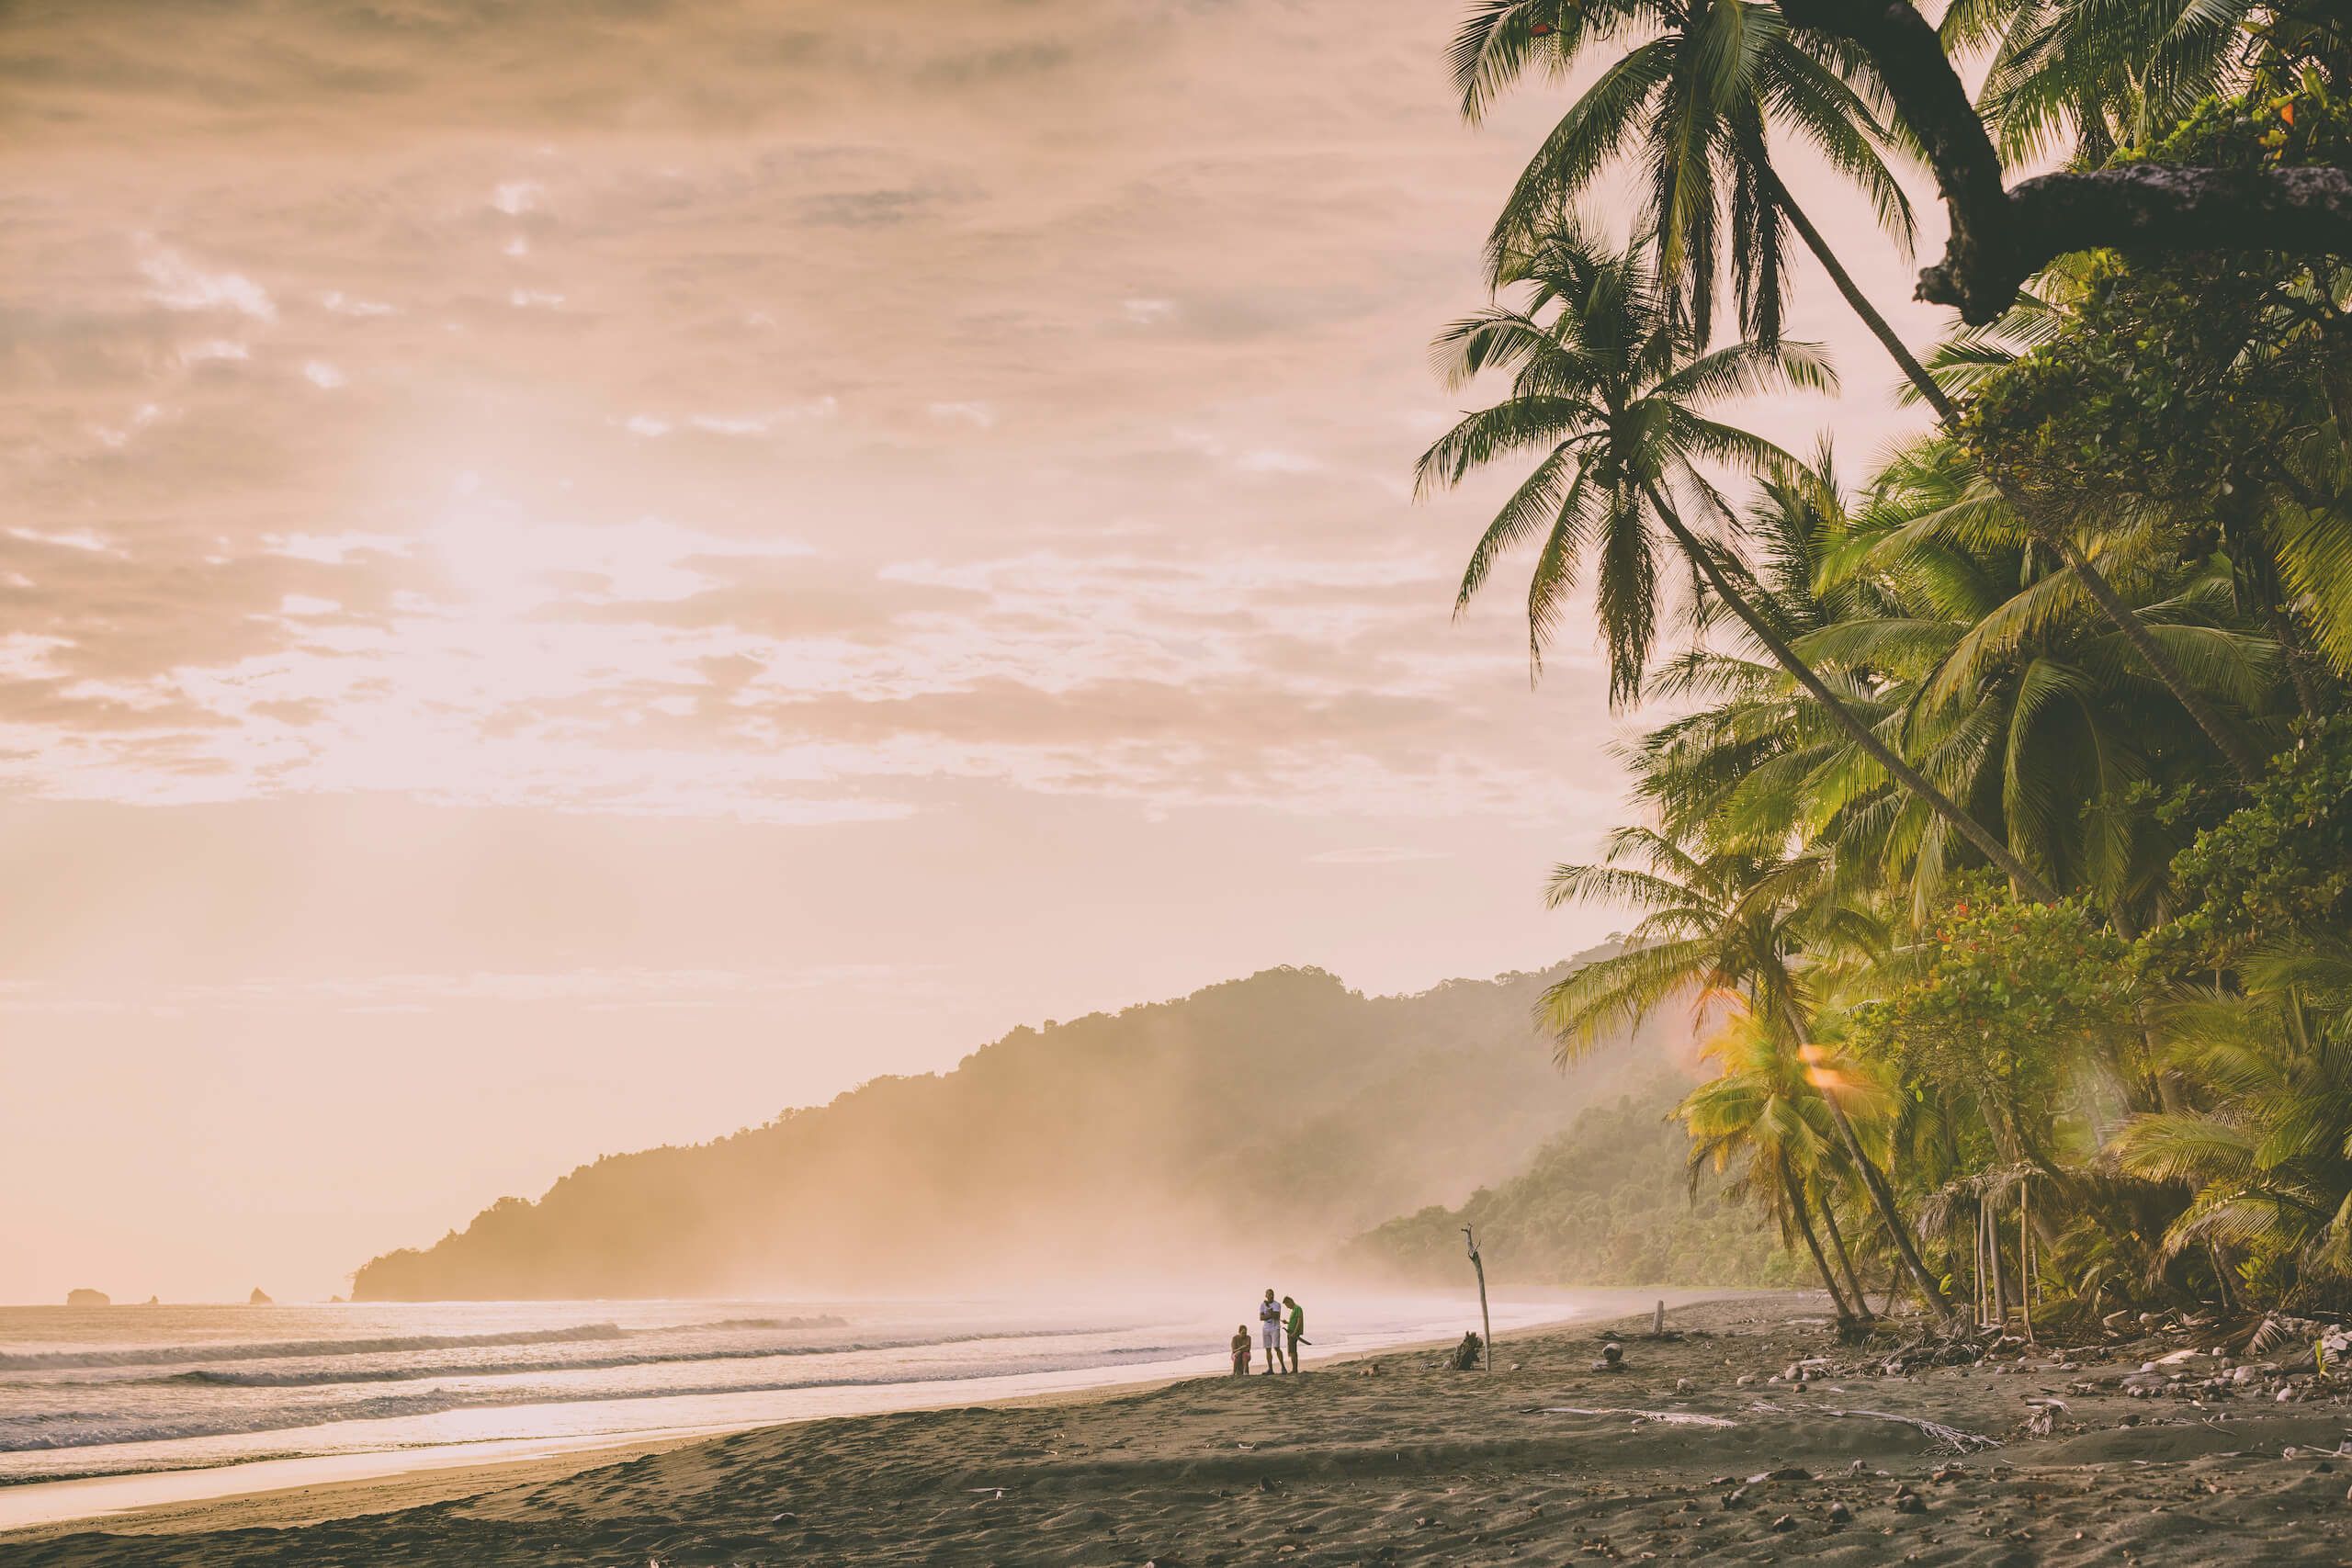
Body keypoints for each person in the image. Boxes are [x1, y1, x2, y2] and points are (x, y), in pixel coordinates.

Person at [1258, 1288, 1283, 1373]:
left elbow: (1276, 1316)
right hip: (1266, 1328)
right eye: (1269, 1294)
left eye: (1272, 1294)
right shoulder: (1262, 1305)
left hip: (1275, 1328)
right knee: (1268, 1349)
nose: (1271, 1296)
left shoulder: (1277, 1304)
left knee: (1276, 1347)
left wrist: (1268, 1308)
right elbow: (1261, 1318)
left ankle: (1283, 1367)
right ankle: (1270, 1369)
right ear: (1266, 1296)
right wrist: (1270, 1315)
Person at [1283, 1294, 1306, 1372]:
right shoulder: (1293, 1310)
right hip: (1290, 1332)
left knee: (1293, 1351)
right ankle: (1294, 1369)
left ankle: (1294, 1369)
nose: (1287, 1307)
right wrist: (1287, 1322)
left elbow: (1299, 1321)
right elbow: (1294, 1321)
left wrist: (1295, 1332)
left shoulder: (1298, 1308)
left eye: (1287, 1305)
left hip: (1293, 1333)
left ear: (1290, 1301)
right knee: (1291, 1351)